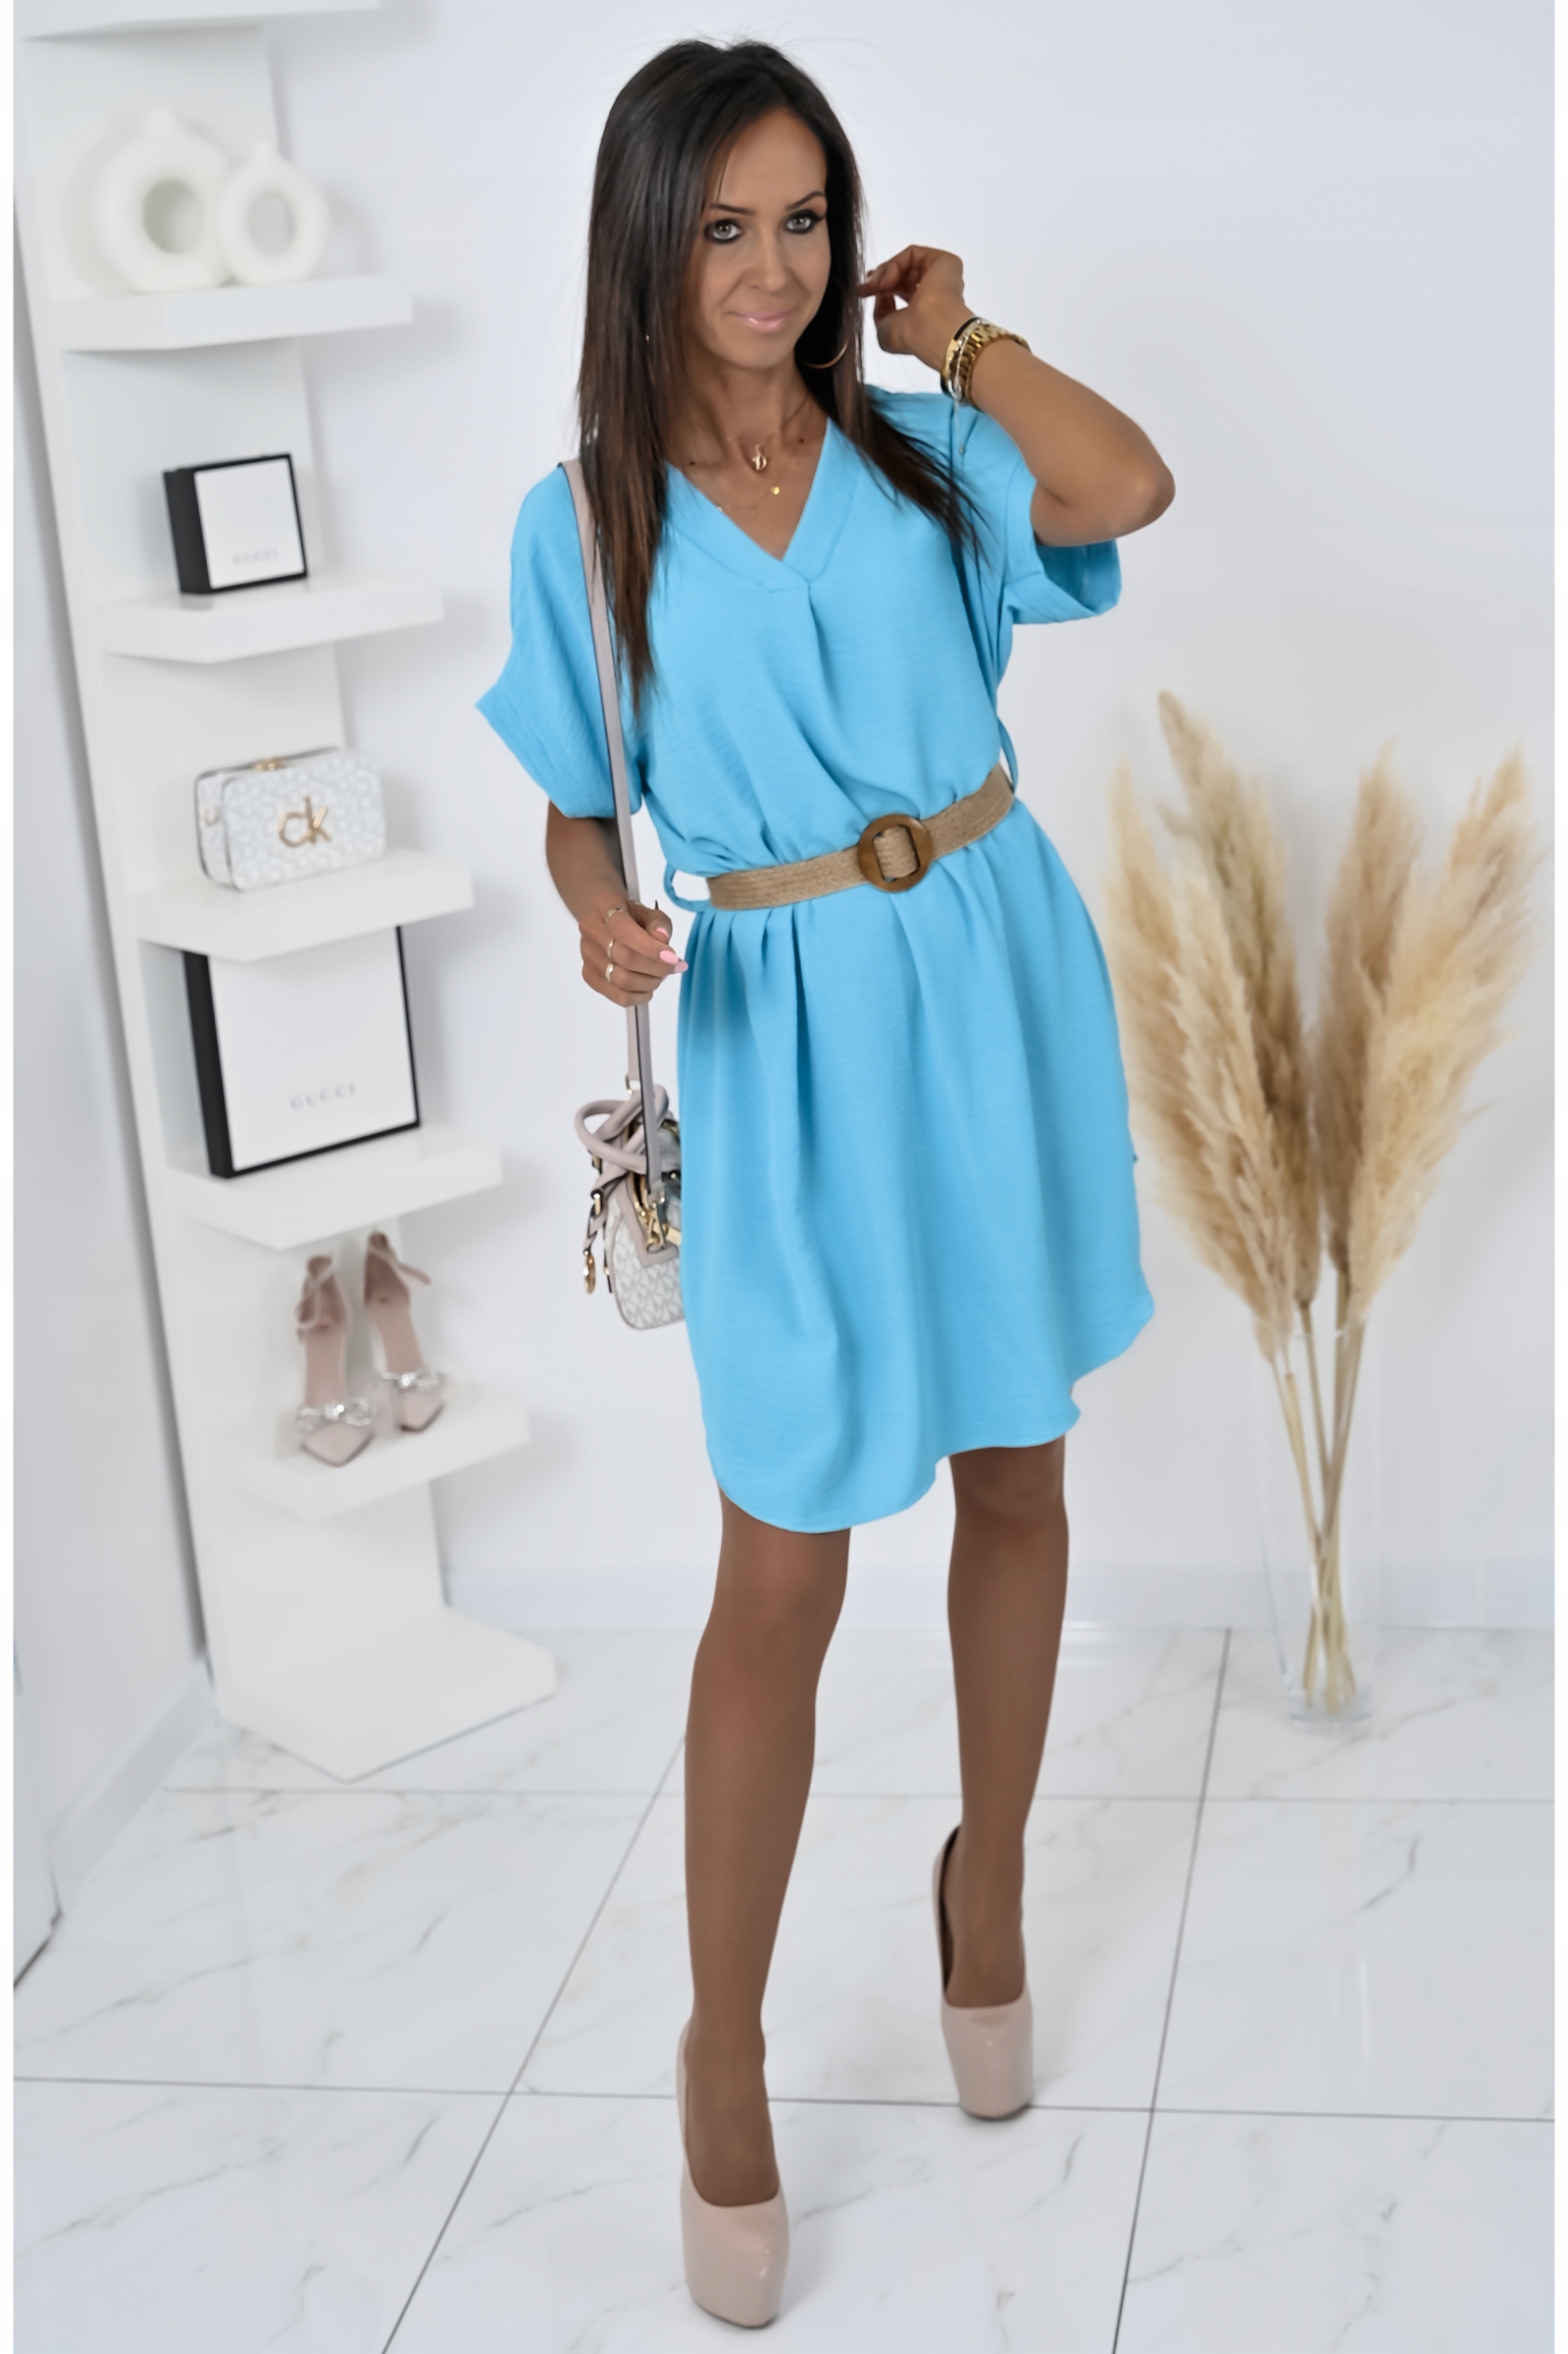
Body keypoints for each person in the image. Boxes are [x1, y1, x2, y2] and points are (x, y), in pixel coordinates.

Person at [479, 36, 1171, 2328]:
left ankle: (988, 1894)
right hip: (783, 1040)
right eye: (721, 228)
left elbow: (1129, 483)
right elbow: (573, 793)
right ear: (646, 244)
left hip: (989, 974)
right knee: (779, 1562)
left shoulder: (922, 449)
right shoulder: (586, 517)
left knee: (1017, 1471)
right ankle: (722, 2042)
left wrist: (959, 334)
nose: (768, 270)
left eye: (800, 221)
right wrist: (595, 897)